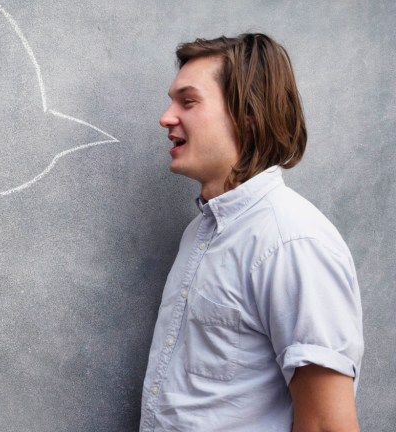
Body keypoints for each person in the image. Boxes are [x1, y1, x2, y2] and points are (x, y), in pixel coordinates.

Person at [141, 33, 363, 431]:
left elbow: (328, 424)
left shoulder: (292, 242)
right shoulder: (199, 233)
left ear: (248, 113)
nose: (167, 117)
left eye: (188, 101)